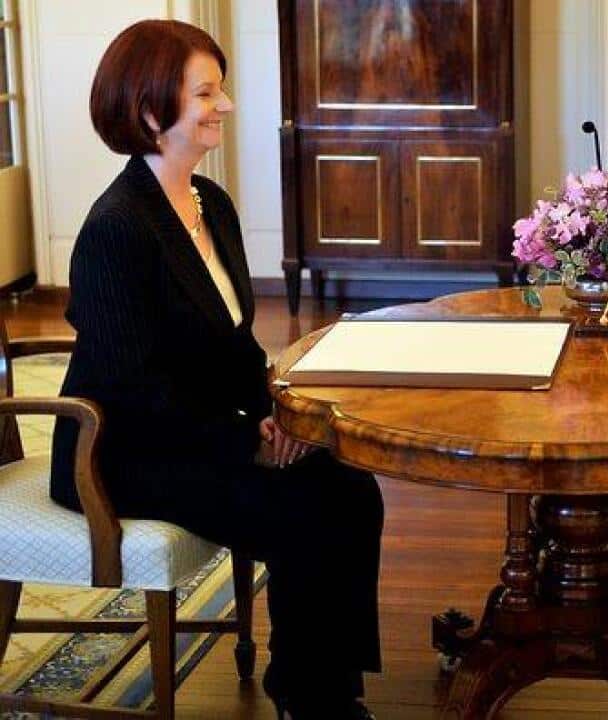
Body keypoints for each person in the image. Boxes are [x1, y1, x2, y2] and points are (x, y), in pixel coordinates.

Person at [49, 20, 383, 720]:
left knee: (349, 487)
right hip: (121, 452)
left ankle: (323, 685)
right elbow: (134, 391)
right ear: (149, 111)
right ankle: (313, 699)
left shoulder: (212, 204)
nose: (224, 105)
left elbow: (233, 346)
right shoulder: (116, 228)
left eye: (220, 89)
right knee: (299, 510)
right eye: (206, 92)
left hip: (197, 430)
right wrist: (248, 441)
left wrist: (278, 412)